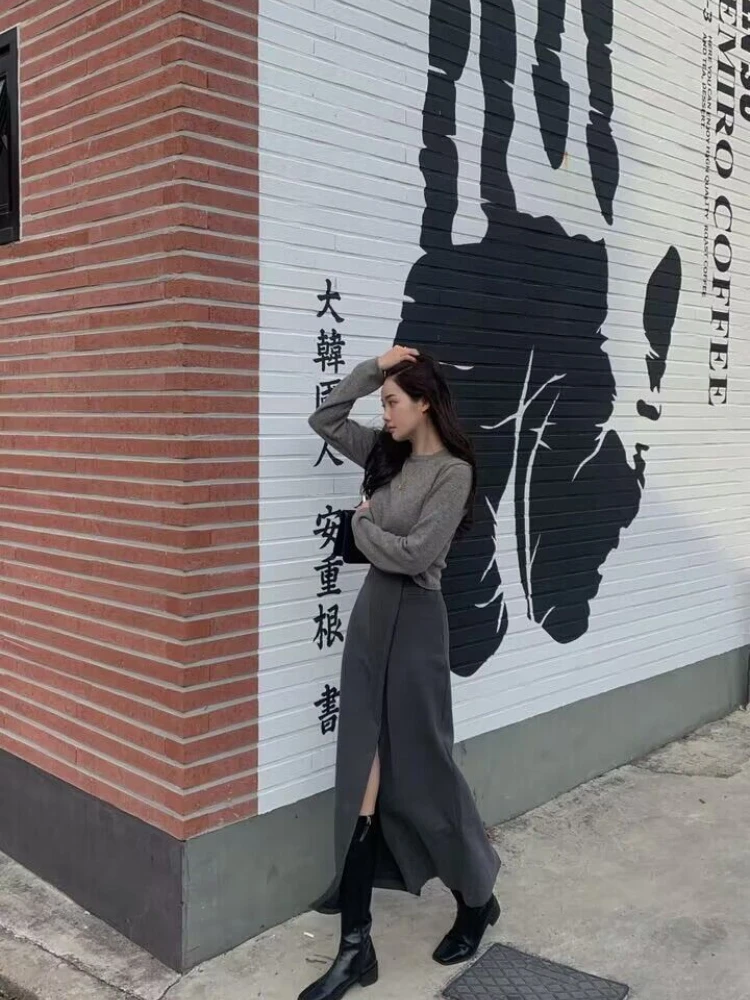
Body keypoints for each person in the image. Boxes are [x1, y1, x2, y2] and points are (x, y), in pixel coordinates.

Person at [300, 345, 501, 1000]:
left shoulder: (453, 474)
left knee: (425, 772)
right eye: (383, 403)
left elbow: (416, 558)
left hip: (416, 627)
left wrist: (361, 530)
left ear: (425, 404)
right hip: (370, 623)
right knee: (362, 772)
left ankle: (477, 896)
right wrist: (372, 370)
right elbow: (325, 419)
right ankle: (355, 946)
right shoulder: (384, 454)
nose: (384, 414)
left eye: (392, 402)